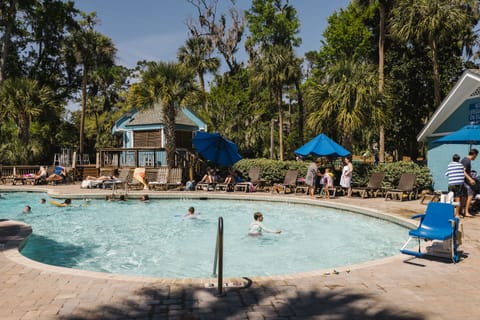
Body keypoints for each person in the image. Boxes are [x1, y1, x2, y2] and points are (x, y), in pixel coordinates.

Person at [461, 148, 478, 217]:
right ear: (474, 154)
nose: (476, 157)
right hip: (465, 181)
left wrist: (470, 174)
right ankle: (466, 212)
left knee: (465, 197)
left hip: (465, 181)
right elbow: (463, 171)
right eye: (476, 156)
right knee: (470, 195)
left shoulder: (465, 160)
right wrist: (470, 179)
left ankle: (462, 211)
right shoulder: (467, 160)